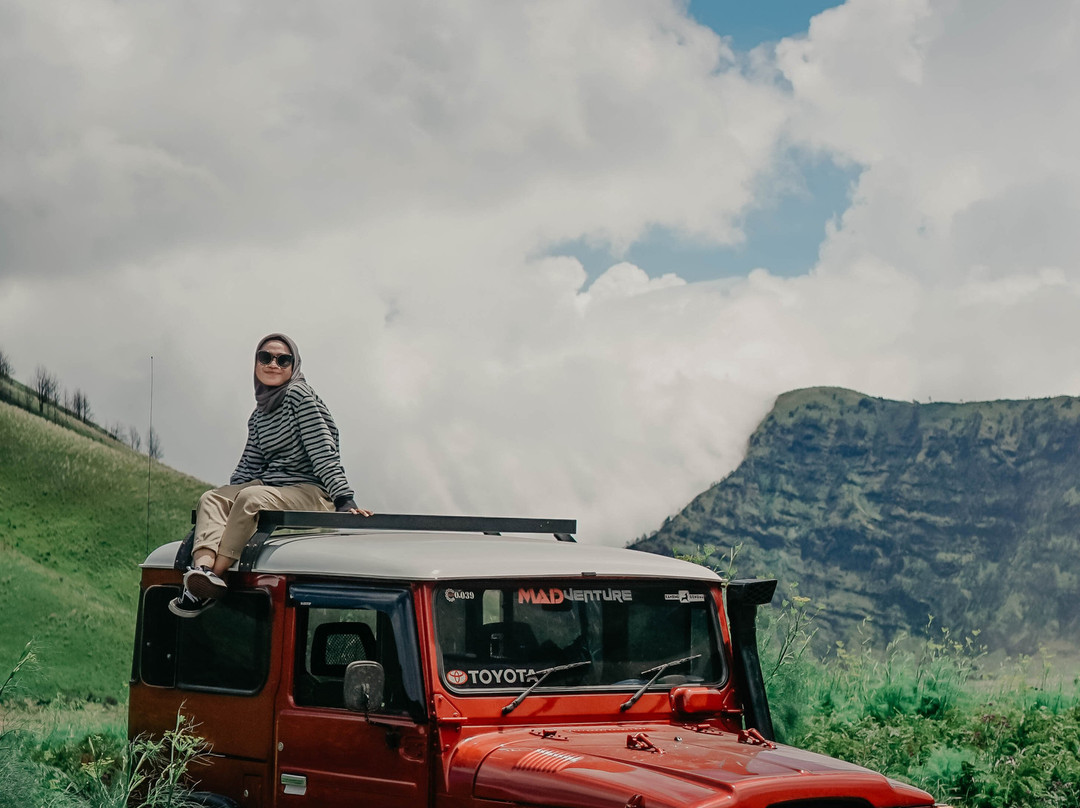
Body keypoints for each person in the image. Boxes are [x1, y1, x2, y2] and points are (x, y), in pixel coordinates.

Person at [170, 333, 371, 617]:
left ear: (293, 366)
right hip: (273, 486)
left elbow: (322, 449)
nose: (273, 364)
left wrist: (344, 500)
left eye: (283, 359)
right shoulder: (259, 414)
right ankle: (200, 574)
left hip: (310, 491)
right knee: (212, 498)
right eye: (265, 357)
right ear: (256, 363)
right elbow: (249, 465)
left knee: (252, 498)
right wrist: (227, 498)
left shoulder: (299, 397)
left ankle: (214, 578)